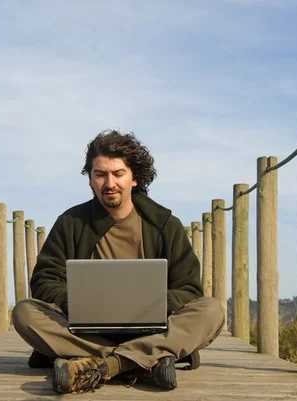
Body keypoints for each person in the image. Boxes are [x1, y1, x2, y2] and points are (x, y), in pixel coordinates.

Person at [12, 130, 225, 394]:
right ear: (90, 179)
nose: (109, 183)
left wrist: (150, 303)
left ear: (134, 178)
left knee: (212, 310)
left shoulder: (165, 225)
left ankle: (104, 365)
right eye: (100, 174)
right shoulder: (71, 222)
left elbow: (190, 290)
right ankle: (145, 361)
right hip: (86, 331)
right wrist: (80, 301)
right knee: (24, 312)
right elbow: (44, 280)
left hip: (150, 329)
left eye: (118, 173)